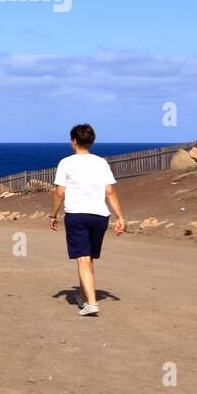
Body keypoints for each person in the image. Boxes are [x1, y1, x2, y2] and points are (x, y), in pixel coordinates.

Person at [50, 123, 126, 316]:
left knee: (82, 259)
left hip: (77, 215)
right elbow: (109, 191)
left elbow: (60, 193)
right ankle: (84, 297)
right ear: (91, 141)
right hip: (100, 215)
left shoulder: (66, 163)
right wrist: (120, 217)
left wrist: (53, 215)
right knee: (88, 258)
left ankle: (91, 304)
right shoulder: (101, 163)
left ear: (74, 141)